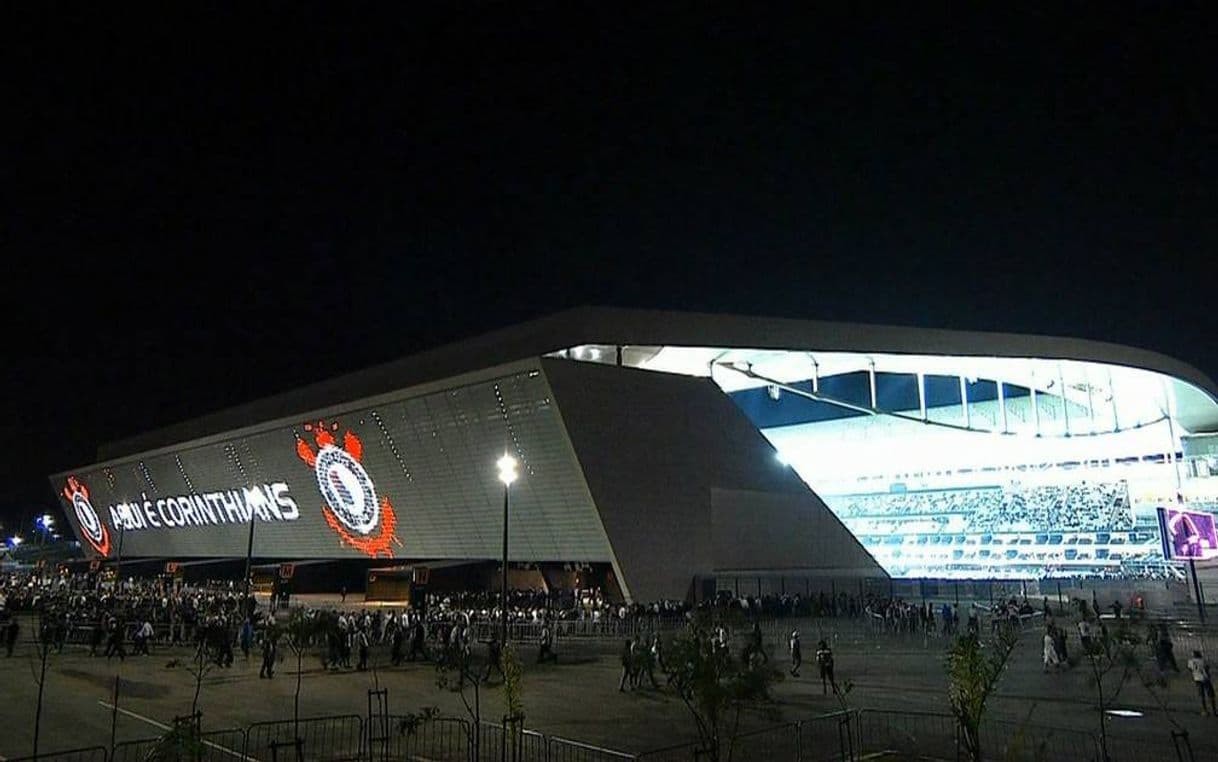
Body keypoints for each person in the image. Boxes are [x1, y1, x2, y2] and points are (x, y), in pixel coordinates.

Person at [1186, 650, 1217, 716]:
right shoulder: (1203, 661)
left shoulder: (1190, 661)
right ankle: (1214, 710)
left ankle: (1204, 710)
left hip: (1197, 679)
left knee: (1201, 695)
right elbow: (1207, 668)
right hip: (1205, 679)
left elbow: (1189, 669)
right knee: (1211, 694)